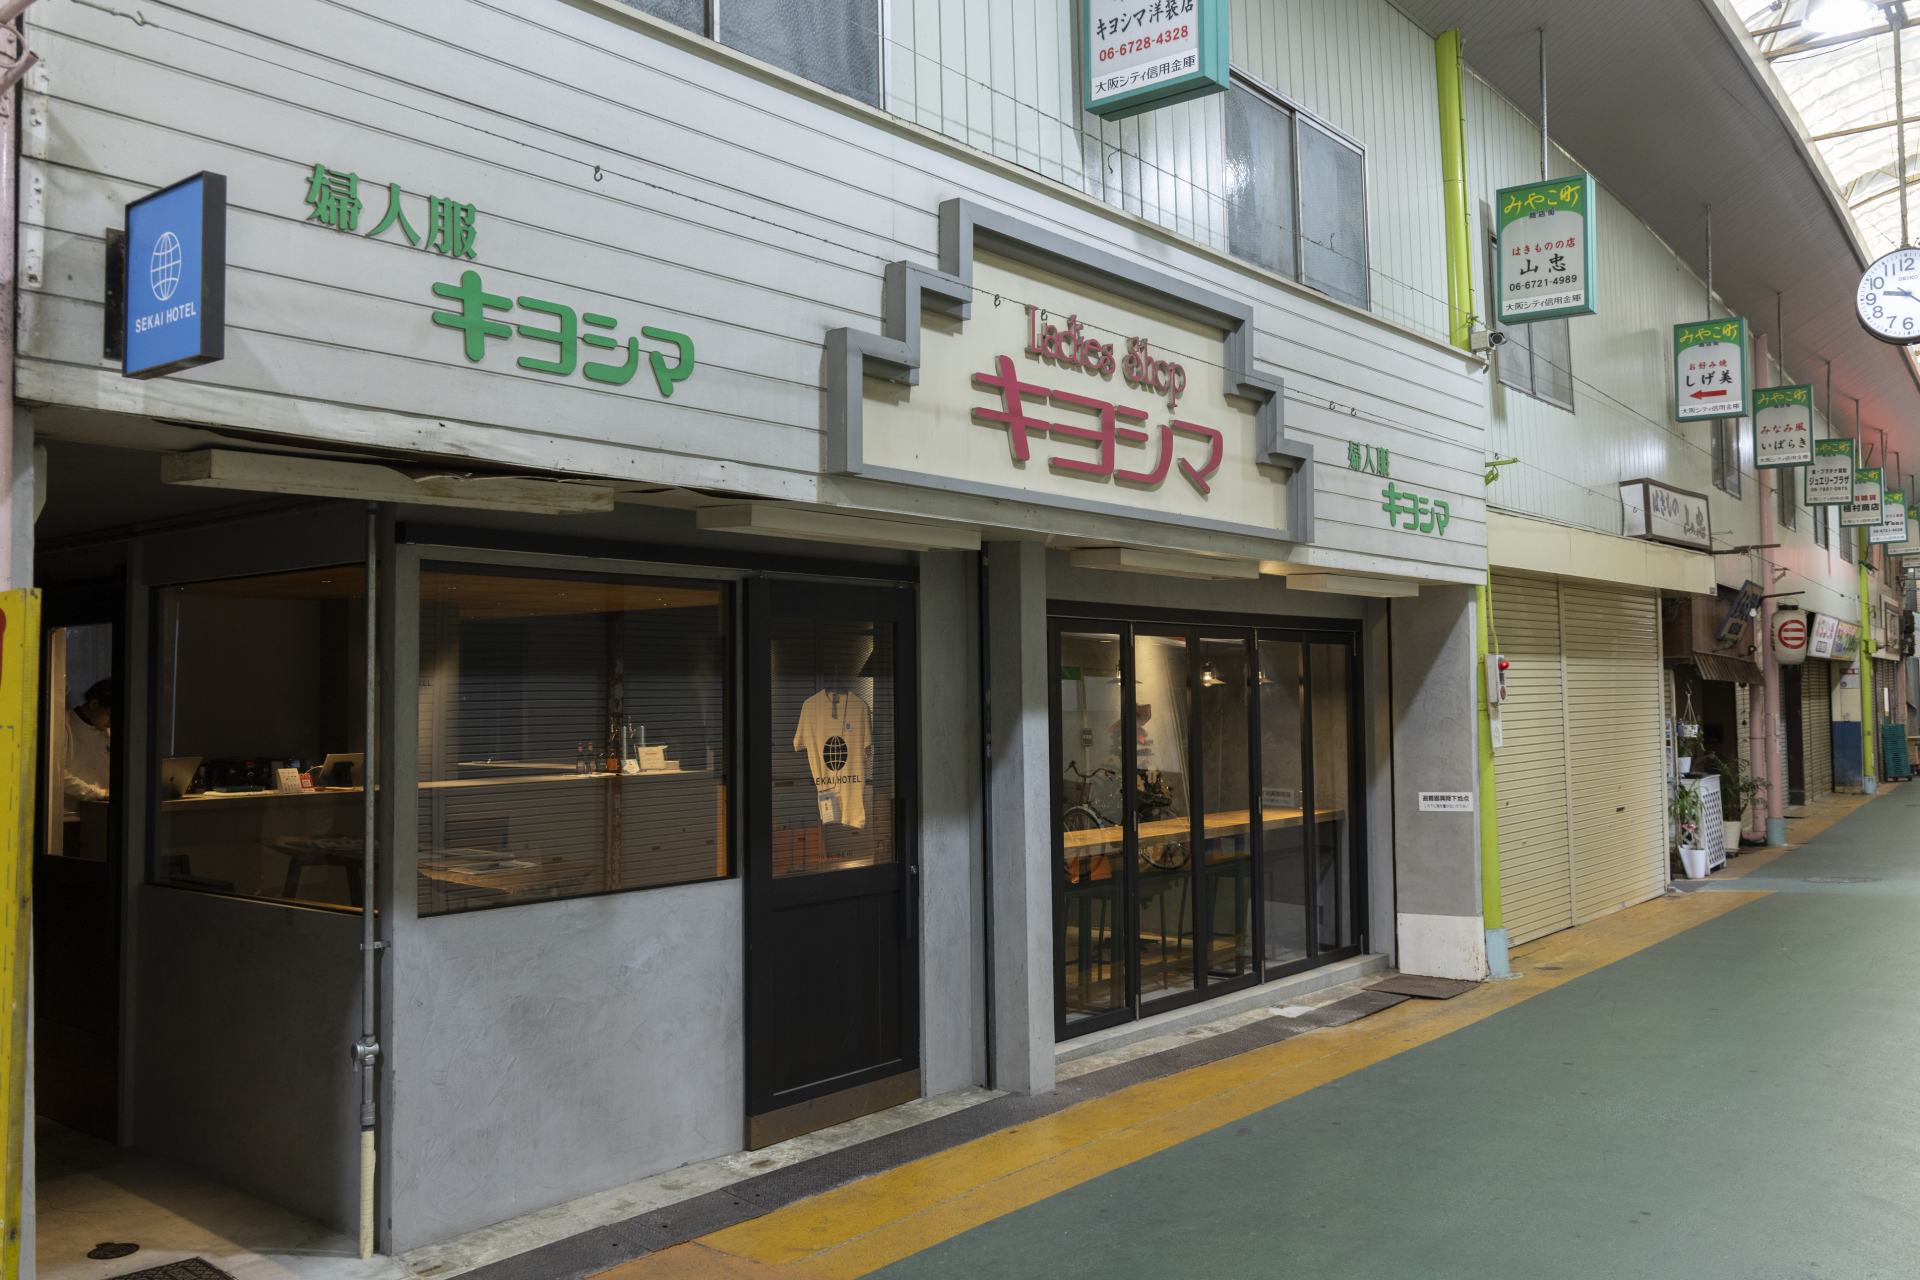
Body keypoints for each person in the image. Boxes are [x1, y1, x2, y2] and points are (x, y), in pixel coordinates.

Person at [63, 678, 111, 802]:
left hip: (103, 807)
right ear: (94, 704)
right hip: (71, 812)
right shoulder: (63, 725)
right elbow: (57, 774)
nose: (111, 723)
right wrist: (99, 793)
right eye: (110, 715)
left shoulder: (107, 730)